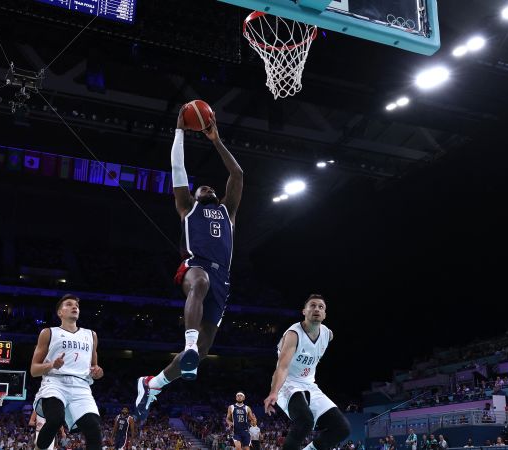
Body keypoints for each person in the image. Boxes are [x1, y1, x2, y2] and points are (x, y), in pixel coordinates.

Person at [135, 109, 243, 422]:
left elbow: (237, 176)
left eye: (211, 187)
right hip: (195, 268)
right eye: (202, 187)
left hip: (223, 279)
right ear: (193, 195)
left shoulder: (228, 213)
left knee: (202, 353)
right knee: (201, 283)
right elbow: (177, 167)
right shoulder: (186, 208)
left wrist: (217, 140)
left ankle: (151, 385)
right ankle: (190, 343)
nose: (207, 187)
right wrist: (180, 132)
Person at [263, 295, 350, 450]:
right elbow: (282, 367)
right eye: (313, 305)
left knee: (342, 428)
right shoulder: (293, 334)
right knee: (305, 421)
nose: (317, 309)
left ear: (325, 314)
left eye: (321, 307)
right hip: (287, 382)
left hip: (309, 384)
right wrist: (273, 392)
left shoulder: (328, 334)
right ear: (304, 311)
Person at [30, 294, 104, 450]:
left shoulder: (91, 335)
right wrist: (52, 365)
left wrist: (98, 372)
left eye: (76, 305)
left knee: (94, 428)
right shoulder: (48, 333)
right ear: (60, 313)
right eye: (69, 304)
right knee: (55, 419)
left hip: (81, 386)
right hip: (55, 383)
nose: (74, 307)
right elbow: (34, 370)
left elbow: (95, 368)